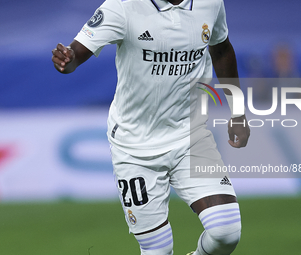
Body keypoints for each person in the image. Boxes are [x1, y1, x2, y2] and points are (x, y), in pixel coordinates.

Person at [51, 0, 250, 254]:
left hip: (190, 135)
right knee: (158, 249)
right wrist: (67, 60)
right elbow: (77, 53)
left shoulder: (210, 3)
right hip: (135, 147)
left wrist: (238, 112)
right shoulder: (122, 6)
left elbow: (221, 50)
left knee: (226, 232)